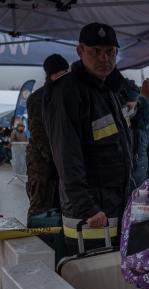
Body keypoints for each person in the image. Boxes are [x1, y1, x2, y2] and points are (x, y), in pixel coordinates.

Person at [43, 23, 132, 253]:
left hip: (114, 211)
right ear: (80, 51)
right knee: (94, 283)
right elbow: (67, 157)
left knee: (117, 283)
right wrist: (88, 208)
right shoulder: (67, 91)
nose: (104, 58)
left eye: (110, 52)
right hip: (90, 218)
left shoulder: (108, 89)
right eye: (95, 52)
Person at [25, 54, 68, 228]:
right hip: (42, 167)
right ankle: (36, 249)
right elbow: (39, 134)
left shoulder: (67, 93)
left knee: (61, 213)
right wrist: (58, 159)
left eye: (66, 72)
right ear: (50, 74)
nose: (64, 76)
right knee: (40, 212)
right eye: (60, 73)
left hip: (61, 165)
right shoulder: (37, 98)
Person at [119, 79, 149, 187]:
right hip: (119, 187)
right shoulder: (116, 119)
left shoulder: (147, 116)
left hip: (142, 184)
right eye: (126, 108)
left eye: (132, 107)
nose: (129, 111)